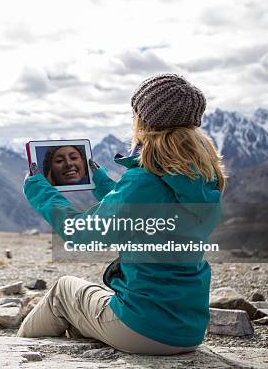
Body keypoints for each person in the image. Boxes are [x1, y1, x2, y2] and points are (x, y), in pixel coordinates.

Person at [18, 74, 225, 355]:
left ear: (145, 121)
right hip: (188, 328)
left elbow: (82, 234)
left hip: (144, 328)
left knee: (62, 291)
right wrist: (102, 182)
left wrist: (39, 190)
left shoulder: (144, 180)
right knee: (81, 308)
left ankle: (16, 355)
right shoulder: (204, 178)